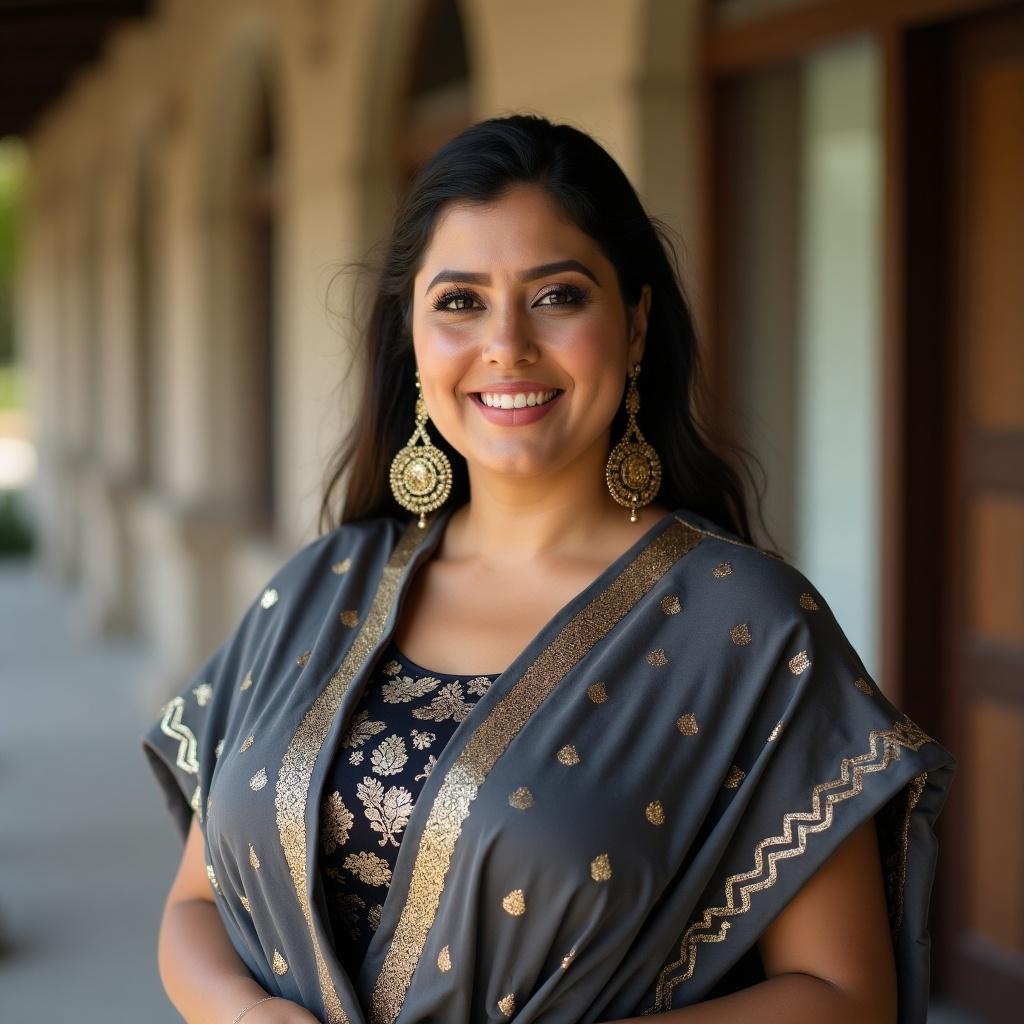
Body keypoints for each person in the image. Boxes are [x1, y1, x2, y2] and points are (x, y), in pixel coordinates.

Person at [142, 114, 955, 1024]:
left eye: (557, 295)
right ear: (411, 336)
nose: (507, 346)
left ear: (636, 324)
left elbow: (845, 997)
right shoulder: (319, 587)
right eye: (459, 302)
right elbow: (194, 906)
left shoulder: (744, 626)